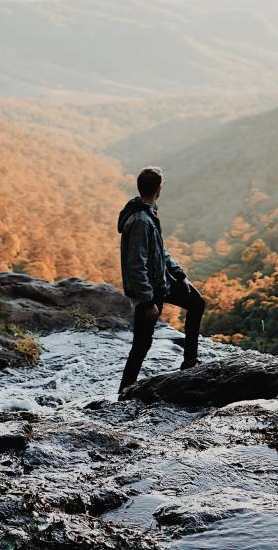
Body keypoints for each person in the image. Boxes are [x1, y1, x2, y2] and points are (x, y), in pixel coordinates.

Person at [118, 166, 206, 393]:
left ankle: (189, 363)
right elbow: (136, 264)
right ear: (159, 188)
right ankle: (124, 392)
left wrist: (179, 274)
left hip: (163, 282)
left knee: (196, 302)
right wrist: (147, 302)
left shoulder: (148, 212)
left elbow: (160, 251)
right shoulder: (140, 220)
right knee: (142, 344)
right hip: (149, 290)